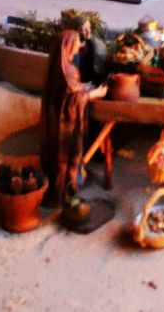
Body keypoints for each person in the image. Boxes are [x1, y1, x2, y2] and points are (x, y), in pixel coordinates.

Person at [40, 29, 106, 208]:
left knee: (55, 155)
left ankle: (60, 183)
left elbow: (69, 91)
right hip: (65, 123)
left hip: (54, 118)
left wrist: (83, 88)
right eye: (76, 41)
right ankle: (64, 190)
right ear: (68, 45)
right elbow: (73, 99)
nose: (79, 45)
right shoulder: (69, 70)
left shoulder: (58, 66)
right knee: (65, 155)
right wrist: (95, 93)